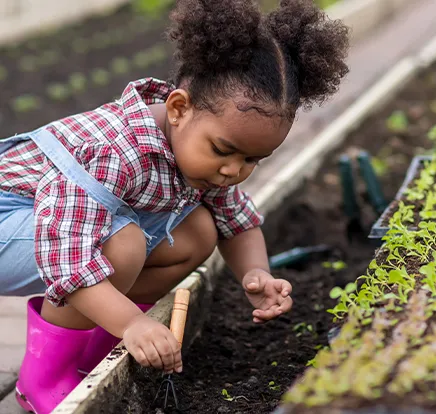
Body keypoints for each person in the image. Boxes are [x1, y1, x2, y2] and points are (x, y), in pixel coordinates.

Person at [0, 0, 349, 412]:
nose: (233, 170)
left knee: (199, 230)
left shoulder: (202, 154)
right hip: (15, 221)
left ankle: (96, 350)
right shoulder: (115, 150)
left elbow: (236, 221)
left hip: (51, 233)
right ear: (179, 108)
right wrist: (133, 322)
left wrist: (257, 274)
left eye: (253, 160)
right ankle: (45, 376)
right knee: (122, 243)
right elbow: (68, 258)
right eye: (224, 150)